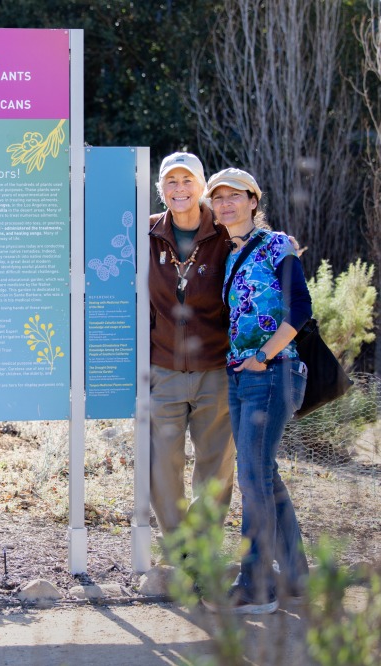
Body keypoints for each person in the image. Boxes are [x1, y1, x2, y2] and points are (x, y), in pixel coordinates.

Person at [200, 168, 311, 615]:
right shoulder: (229, 255)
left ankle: (257, 583)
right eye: (218, 198)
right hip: (241, 375)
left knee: (251, 475)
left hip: (273, 371)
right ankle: (297, 574)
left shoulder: (276, 244)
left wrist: (263, 355)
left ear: (253, 201)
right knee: (263, 472)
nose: (226, 204)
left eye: (234, 196)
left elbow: (300, 307)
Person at [148, 152, 235, 554]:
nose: (179, 189)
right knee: (162, 464)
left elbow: (260, 241)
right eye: (171, 182)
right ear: (161, 189)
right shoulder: (146, 233)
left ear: (201, 186)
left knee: (215, 463)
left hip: (215, 369)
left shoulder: (224, 232)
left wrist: (280, 244)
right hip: (162, 368)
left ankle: (204, 548)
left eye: (187, 181)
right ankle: (178, 549)